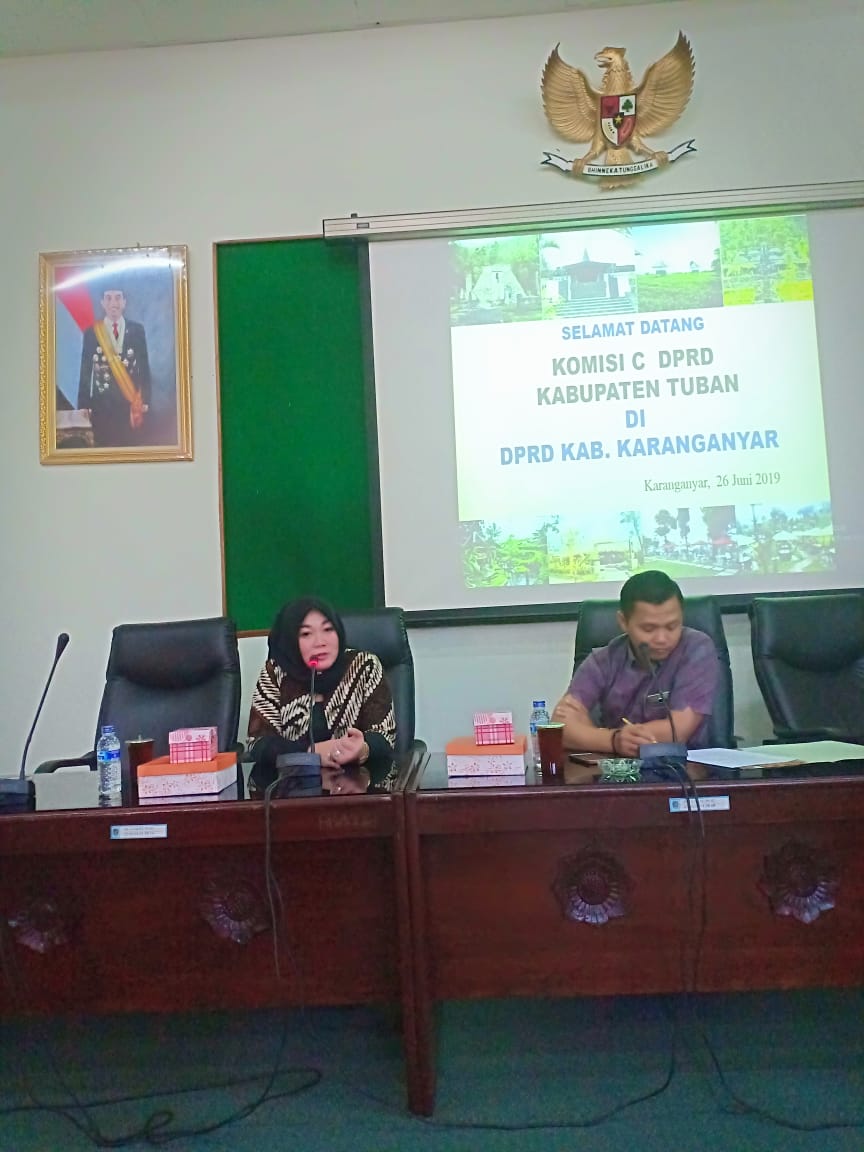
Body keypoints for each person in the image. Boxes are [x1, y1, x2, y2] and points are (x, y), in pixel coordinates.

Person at [552, 570, 718, 757]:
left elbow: (678, 730)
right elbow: (559, 727)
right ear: (623, 622)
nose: (662, 639)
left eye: (672, 626)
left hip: (688, 766)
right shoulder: (603, 661)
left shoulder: (696, 648)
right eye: (649, 628)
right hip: (621, 769)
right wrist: (614, 740)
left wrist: (594, 735)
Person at [247, 596, 397, 794]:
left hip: (357, 792)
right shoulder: (275, 674)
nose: (320, 642)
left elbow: (385, 736)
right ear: (290, 640)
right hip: (294, 794)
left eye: (328, 629)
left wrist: (362, 749)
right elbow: (257, 744)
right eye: (306, 634)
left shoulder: (364, 666)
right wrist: (310, 752)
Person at [77, 285, 151, 447]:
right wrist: (83, 404)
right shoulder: (92, 333)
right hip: (102, 405)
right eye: (108, 298)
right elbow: (86, 370)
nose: (113, 303)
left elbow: (144, 367)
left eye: (118, 298)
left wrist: (145, 398)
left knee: (129, 449)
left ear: (124, 302)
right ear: (102, 303)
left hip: (129, 404)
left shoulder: (137, 330)